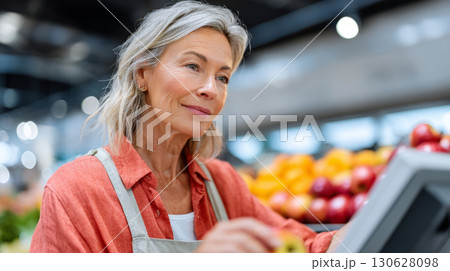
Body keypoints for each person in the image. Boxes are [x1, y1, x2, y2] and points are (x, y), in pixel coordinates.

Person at [30, 1, 334, 253]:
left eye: (222, 77)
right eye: (193, 66)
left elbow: (310, 248)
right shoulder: (77, 191)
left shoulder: (223, 185)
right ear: (142, 74)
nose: (210, 89)